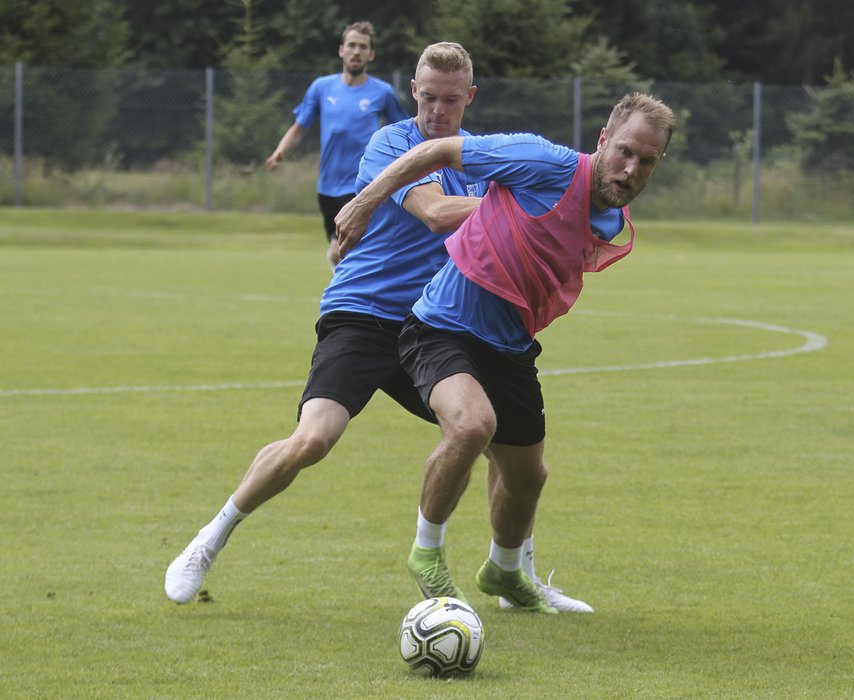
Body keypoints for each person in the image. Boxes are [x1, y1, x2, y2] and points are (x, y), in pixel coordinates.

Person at [165, 42, 591, 614]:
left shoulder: (477, 159)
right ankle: (209, 539)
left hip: (434, 325)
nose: (438, 110)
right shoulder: (392, 144)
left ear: (470, 97)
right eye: (428, 96)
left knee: (505, 450)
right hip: (363, 315)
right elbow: (438, 213)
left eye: (451, 99)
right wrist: (528, 205)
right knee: (313, 439)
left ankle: (516, 576)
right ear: (412, 91)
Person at [335, 93, 675, 613]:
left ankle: (505, 573)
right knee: (472, 426)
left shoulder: (611, 220)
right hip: (440, 326)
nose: (631, 169)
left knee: (527, 476)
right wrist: (365, 202)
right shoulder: (544, 160)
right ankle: (426, 554)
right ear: (603, 140)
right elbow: (441, 151)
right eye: (625, 151)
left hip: (511, 346)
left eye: (646, 160)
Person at [266, 21, 410, 268]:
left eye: (362, 47)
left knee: (341, 250)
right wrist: (280, 151)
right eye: (352, 45)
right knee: (341, 253)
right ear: (341, 50)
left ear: (371, 54)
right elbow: (300, 127)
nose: (356, 51)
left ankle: (347, 300)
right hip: (327, 188)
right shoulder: (322, 88)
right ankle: (350, 295)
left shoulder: (382, 92)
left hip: (362, 184)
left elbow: (405, 131)